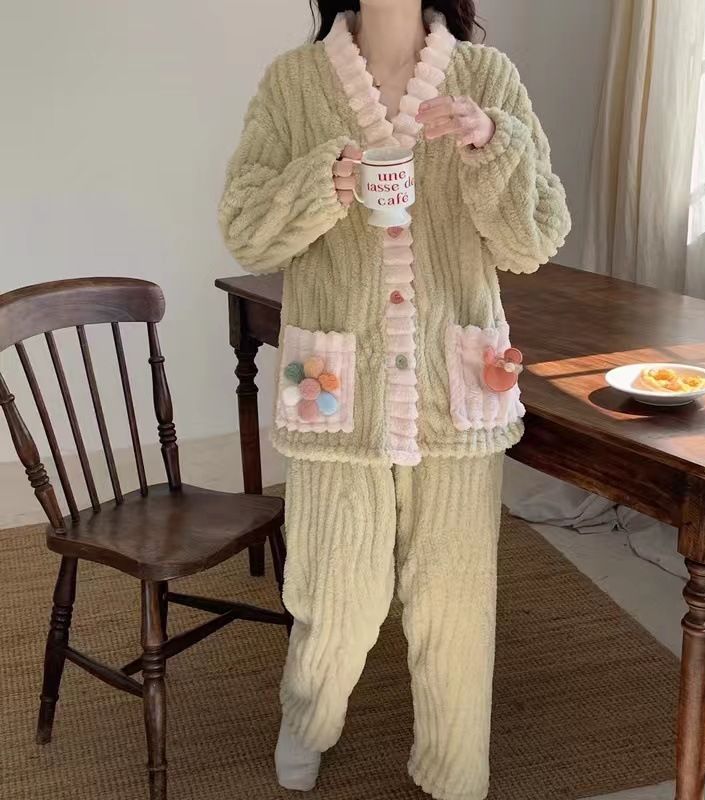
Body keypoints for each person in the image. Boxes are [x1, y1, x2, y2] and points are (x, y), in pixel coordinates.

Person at [219, 1, 571, 797]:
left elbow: (534, 240)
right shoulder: (293, 83)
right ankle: (308, 716)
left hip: (456, 384)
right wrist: (323, 180)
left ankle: (455, 764)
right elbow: (245, 229)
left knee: (455, 598)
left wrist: (491, 143)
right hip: (337, 389)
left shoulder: (488, 78)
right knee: (334, 586)